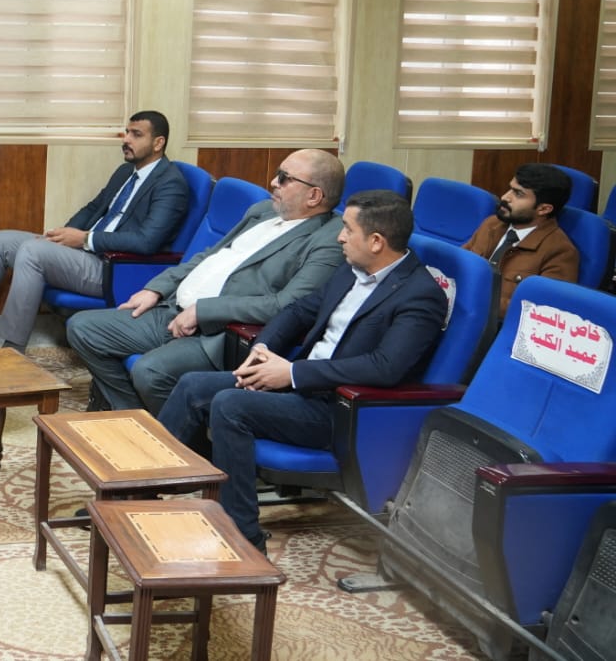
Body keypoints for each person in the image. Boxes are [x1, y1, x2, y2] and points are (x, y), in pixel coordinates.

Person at [158, 190, 448, 552]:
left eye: (348, 229)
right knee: (192, 386)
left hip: (339, 409)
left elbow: (385, 367)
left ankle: (243, 539)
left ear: (376, 241)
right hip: (300, 384)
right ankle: (141, 489)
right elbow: (299, 311)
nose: (340, 237)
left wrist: (293, 373)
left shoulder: (420, 295)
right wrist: (264, 348)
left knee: (231, 405)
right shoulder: (352, 270)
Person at [68, 150, 345, 414]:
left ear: (314, 196)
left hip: (218, 333)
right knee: (83, 328)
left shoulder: (328, 240)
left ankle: (180, 439)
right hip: (173, 310)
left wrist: (203, 311)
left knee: (149, 372)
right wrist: (156, 289)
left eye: (284, 178)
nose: (273, 182)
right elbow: (208, 255)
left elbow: (286, 304)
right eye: (277, 173)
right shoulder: (263, 211)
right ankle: (131, 414)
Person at [0, 111, 190, 351]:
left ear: (158, 143)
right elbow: (94, 207)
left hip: (113, 267)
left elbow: (147, 241)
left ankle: (11, 352)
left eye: (136, 134)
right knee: (1, 241)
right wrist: (62, 235)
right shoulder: (126, 172)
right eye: (126, 132)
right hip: (87, 253)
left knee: (32, 252)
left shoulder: (171, 183)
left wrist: (85, 239)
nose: (126, 139)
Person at [463, 163, 580, 316]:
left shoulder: (560, 252)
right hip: (461, 309)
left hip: (498, 324)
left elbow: (540, 310)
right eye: (510, 189)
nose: (505, 197)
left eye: (518, 194)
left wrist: (472, 299)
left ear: (543, 209)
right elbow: (459, 263)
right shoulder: (492, 224)